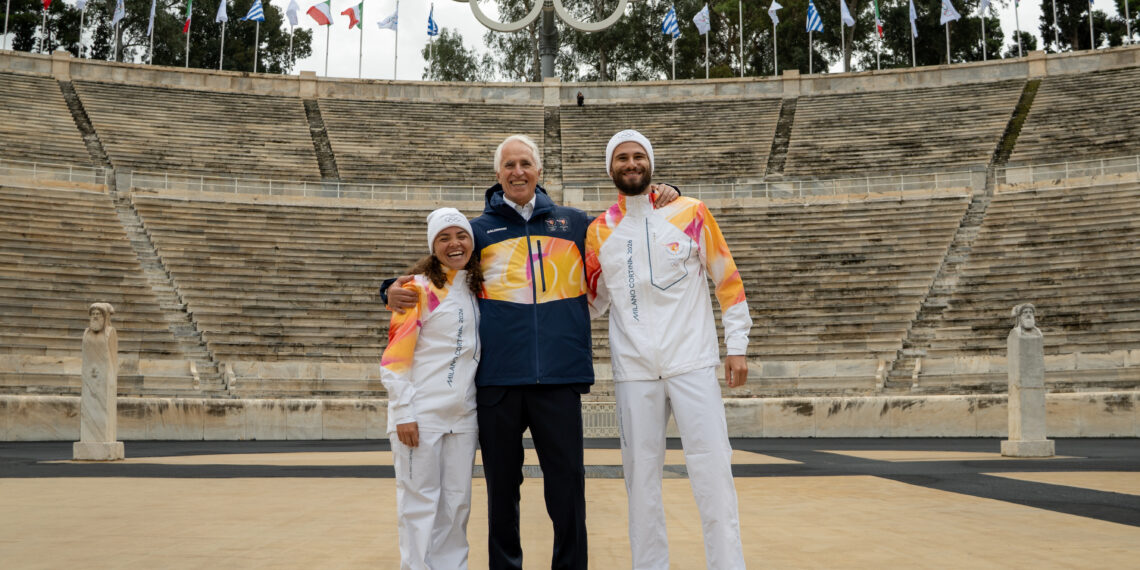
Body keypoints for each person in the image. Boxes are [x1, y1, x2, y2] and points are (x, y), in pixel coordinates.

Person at [385, 134, 679, 570]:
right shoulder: (477, 232)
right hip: (498, 382)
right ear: (498, 174)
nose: (517, 172)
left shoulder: (575, 223)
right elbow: (435, 269)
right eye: (509, 165)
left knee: (567, 492)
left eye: (525, 163)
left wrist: (662, 194)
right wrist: (388, 290)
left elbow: (627, 229)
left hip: (559, 380)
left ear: (539, 171)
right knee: (502, 493)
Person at [584, 129, 751, 570]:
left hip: (692, 363)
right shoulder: (599, 232)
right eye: (622, 158)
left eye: (639, 156)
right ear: (611, 169)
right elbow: (592, 301)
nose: (631, 163)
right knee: (641, 483)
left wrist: (737, 345)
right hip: (634, 372)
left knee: (713, 474)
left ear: (651, 164)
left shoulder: (691, 212)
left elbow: (728, 280)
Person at [381, 207, 483, 570]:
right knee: (419, 504)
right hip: (420, 416)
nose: (454, 244)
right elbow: (395, 359)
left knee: (456, 505)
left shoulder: (475, 289)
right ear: (432, 246)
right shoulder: (417, 289)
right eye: (444, 238)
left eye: (461, 236)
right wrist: (403, 412)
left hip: (463, 416)